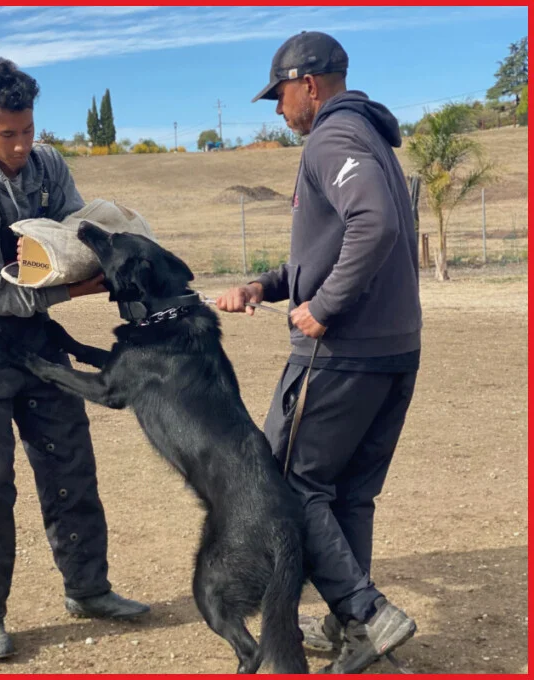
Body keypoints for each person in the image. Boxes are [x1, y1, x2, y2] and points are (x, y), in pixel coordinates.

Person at [0, 56, 148, 660]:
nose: (23, 145)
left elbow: (74, 229)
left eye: (28, 129)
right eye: (8, 134)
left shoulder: (48, 163)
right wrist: (75, 289)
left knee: (70, 463)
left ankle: (89, 589)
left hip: (38, 337)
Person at [216, 32, 422, 674]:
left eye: (280, 95)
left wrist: (324, 308)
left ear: (308, 84)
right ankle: (351, 631)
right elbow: (328, 249)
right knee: (349, 495)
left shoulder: (332, 137)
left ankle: (365, 611)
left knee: (287, 486)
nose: (278, 110)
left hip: (343, 356)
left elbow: (375, 224)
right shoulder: (369, 137)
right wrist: (263, 286)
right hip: (393, 350)